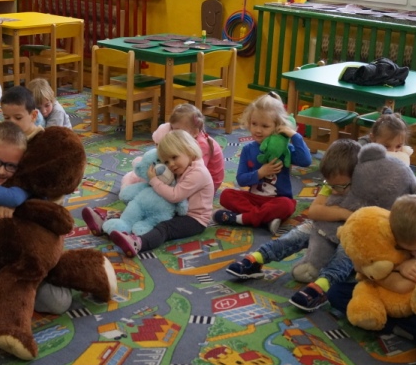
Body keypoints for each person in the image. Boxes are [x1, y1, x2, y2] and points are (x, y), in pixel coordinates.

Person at [225, 139, 360, 310]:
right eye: (330, 184)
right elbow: (314, 212)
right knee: (294, 235)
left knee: (347, 250)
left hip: (350, 235)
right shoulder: (332, 185)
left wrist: (337, 214)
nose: (333, 190)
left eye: (339, 186)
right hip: (322, 228)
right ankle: (256, 259)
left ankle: (323, 286)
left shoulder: (366, 190)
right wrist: (345, 214)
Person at [0, 122, 73, 314]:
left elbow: (44, 202)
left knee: (59, 302)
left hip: (19, 260)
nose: (1, 171)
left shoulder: (14, 184)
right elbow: (12, 197)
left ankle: (43, 278)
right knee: (5, 305)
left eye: (11, 166)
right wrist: (19, 196)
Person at [95, 130, 214, 258]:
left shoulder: (197, 173)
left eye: (174, 157)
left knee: (165, 228)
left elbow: (175, 196)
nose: (171, 164)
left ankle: (138, 243)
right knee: (146, 209)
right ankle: (108, 226)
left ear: (189, 150)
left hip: (195, 220)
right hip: (180, 211)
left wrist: (154, 180)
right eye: (166, 162)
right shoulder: (185, 166)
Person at [214, 93, 312, 234]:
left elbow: (306, 161)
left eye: (265, 126)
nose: (258, 130)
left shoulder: (285, 150)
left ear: (278, 127)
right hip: (253, 199)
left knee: (287, 205)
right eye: (254, 124)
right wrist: (260, 173)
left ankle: (241, 218)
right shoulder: (248, 149)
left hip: (277, 200)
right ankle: (265, 219)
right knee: (226, 195)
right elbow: (241, 180)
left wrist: (294, 135)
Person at [122, 103, 225, 193]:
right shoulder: (189, 137)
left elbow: (197, 173)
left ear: (194, 132)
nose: (172, 133)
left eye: (177, 130)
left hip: (206, 186)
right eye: (172, 129)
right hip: (193, 177)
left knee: (164, 188)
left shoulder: (202, 145)